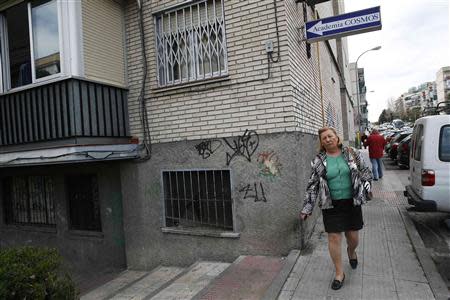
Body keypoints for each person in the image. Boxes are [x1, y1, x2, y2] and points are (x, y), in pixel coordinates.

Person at [300, 127, 372, 290]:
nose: (327, 139)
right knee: (333, 237)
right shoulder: (318, 160)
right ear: (321, 142)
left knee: (353, 237)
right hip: (330, 204)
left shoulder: (351, 153)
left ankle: (351, 252)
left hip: (351, 202)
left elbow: (365, 171)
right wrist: (307, 208)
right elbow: (313, 185)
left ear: (337, 138)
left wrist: (367, 188)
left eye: (330, 136)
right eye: (324, 138)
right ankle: (339, 273)